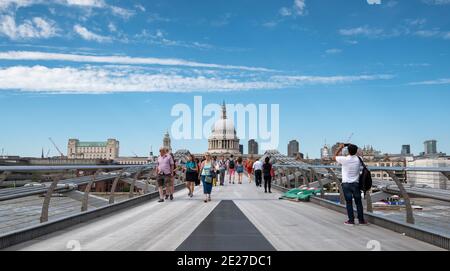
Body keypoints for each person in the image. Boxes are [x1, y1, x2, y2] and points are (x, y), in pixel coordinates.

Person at [334, 143, 367, 226]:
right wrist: (353, 146)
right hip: (356, 184)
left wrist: (341, 147)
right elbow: (361, 153)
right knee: (358, 202)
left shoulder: (344, 159)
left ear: (348, 151)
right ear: (356, 151)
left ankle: (351, 221)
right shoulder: (359, 159)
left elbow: (334, 156)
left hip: (346, 184)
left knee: (349, 203)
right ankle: (361, 221)